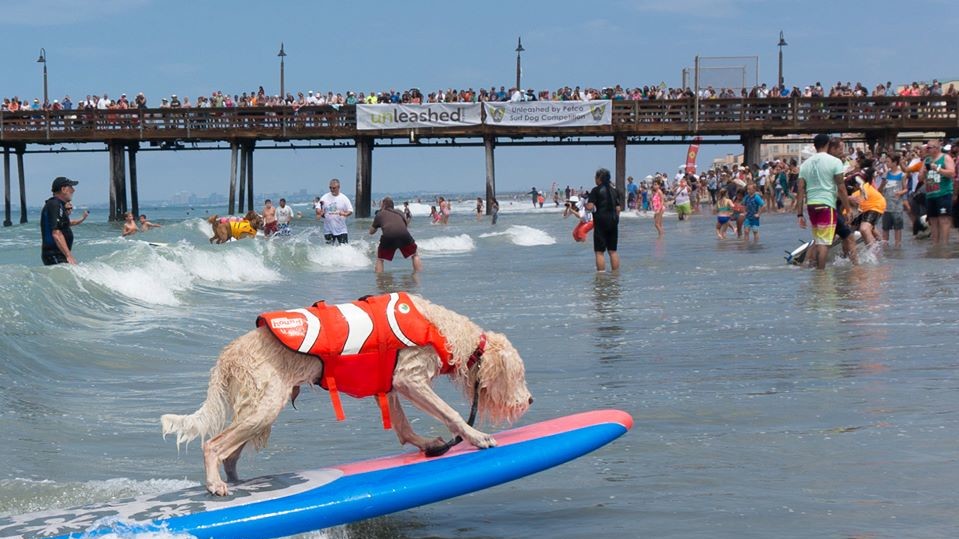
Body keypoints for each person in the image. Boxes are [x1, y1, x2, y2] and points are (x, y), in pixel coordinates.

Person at [796, 134, 854, 269]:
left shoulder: (805, 164)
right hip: (826, 205)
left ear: (815, 146)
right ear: (827, 144)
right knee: (824, 243)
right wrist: (848, 208)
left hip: (812, 206)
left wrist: (799, 214)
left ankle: (813, 267)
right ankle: (821, 273)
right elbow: (841, 187)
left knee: (818, 240)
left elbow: (800, 190)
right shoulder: (835, 162)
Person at [369, 197, 422, 273]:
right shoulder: (400, 212)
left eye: (381, 205)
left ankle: (380, 278)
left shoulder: (380, 214)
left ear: (384, 205)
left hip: (388, 237)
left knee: (380, 259)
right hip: (404, 235)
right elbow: (406, 225)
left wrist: (377, 225)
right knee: (414, 254)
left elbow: (371, 232)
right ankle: (418, 275)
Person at [921, 139, 956, 245]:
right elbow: (920, 178)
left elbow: (952, 173)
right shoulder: (926, 160)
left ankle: (944, 245)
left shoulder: (945, 158)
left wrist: (937, 169)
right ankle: (935, 246)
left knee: (944, 220)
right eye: (927, 148)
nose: (927, 150)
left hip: (943, 193)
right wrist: (924, 172)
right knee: (933, 221)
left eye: (929, 148)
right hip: (930, 194)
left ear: (936, 148)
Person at [586, 168, 621, 271]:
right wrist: (616, 220)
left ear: (599, 178)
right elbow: (618, 209)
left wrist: (585, 205)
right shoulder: (614, 191)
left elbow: (590, 206)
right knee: (613, 251)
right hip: (613, 222)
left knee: (599, 252)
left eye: (595, 177)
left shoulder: (596, 190)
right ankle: (615, 275)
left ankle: (601, 276)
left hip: (600, 222)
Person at [40, 176, 80, 265]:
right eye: (71, 187)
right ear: (63, 189)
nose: (73, 190)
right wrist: (69, 256)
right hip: (54, 254)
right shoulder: (55, 204)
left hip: (58, 254)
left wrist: (67, 215)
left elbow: (63, 226)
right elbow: (56, 233)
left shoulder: (59, 205)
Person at [879, 155, 907, 247]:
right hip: (886, 207)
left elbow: (906, 189)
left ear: (894, 163)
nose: (886, 163)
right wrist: (883, 184)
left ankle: (897, 247)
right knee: (885, 228)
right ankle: (885, 248)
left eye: (888, 161)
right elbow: (880, 190)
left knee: (897, 229)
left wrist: (900, 193)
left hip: (897, 207)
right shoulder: (886, 174)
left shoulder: (902, 175)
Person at [319, 179, 353, 244]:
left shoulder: (344, 198)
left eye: (334, 188)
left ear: (338, 187)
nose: (332, 189)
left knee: (344, 248)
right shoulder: (324, 197)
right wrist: (321, 213)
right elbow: (319, 210)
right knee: (329, 249)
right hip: (328, 230)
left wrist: (345, 214)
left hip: (341, 230)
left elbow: (350, 210)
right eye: (330, 188)